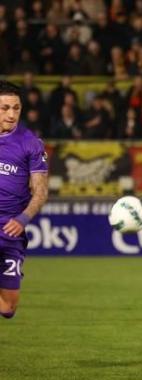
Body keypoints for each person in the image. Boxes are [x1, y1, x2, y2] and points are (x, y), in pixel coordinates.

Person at [0, 81, 49, 319]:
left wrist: (23, 218)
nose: (11, 114)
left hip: (11, 233)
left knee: (8, 308)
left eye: (16, 108)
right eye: (5, 108)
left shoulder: (30, 143)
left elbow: (41, 191)